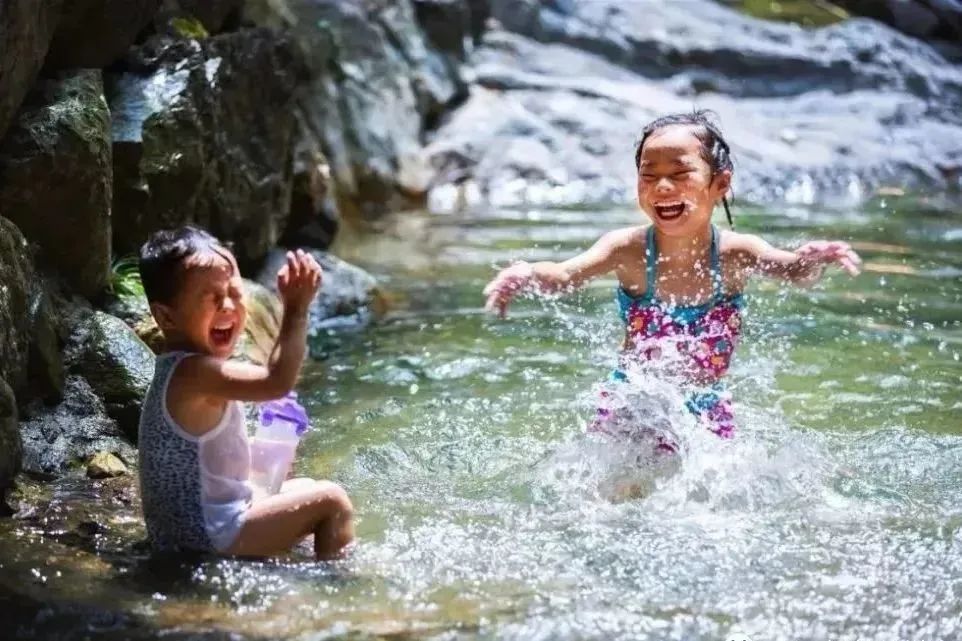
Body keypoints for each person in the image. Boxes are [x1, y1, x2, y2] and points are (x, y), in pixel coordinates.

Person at [483, 111, 861, 451]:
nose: (662, 186)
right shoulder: (627, 249)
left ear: (720, 184)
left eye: (680, 174)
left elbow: (795, 273)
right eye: (648, 175)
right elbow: (565, 275)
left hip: (706, 402)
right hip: (633, 400)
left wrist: (812, 261)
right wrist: (527, 273)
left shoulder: (735, 253)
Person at [137, 226, 354, 560]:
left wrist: (263, 452)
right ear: (166, 316)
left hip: (189, 531)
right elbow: (276, 381)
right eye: (211, 298)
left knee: (306, 488)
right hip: (209, 538)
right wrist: (296, 309)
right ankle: (339, 581)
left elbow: (207, 461)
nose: (228, 307)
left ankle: (302, 559)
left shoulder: (180, 369)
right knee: (332, 500)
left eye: (235, 293)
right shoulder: (194, 373)